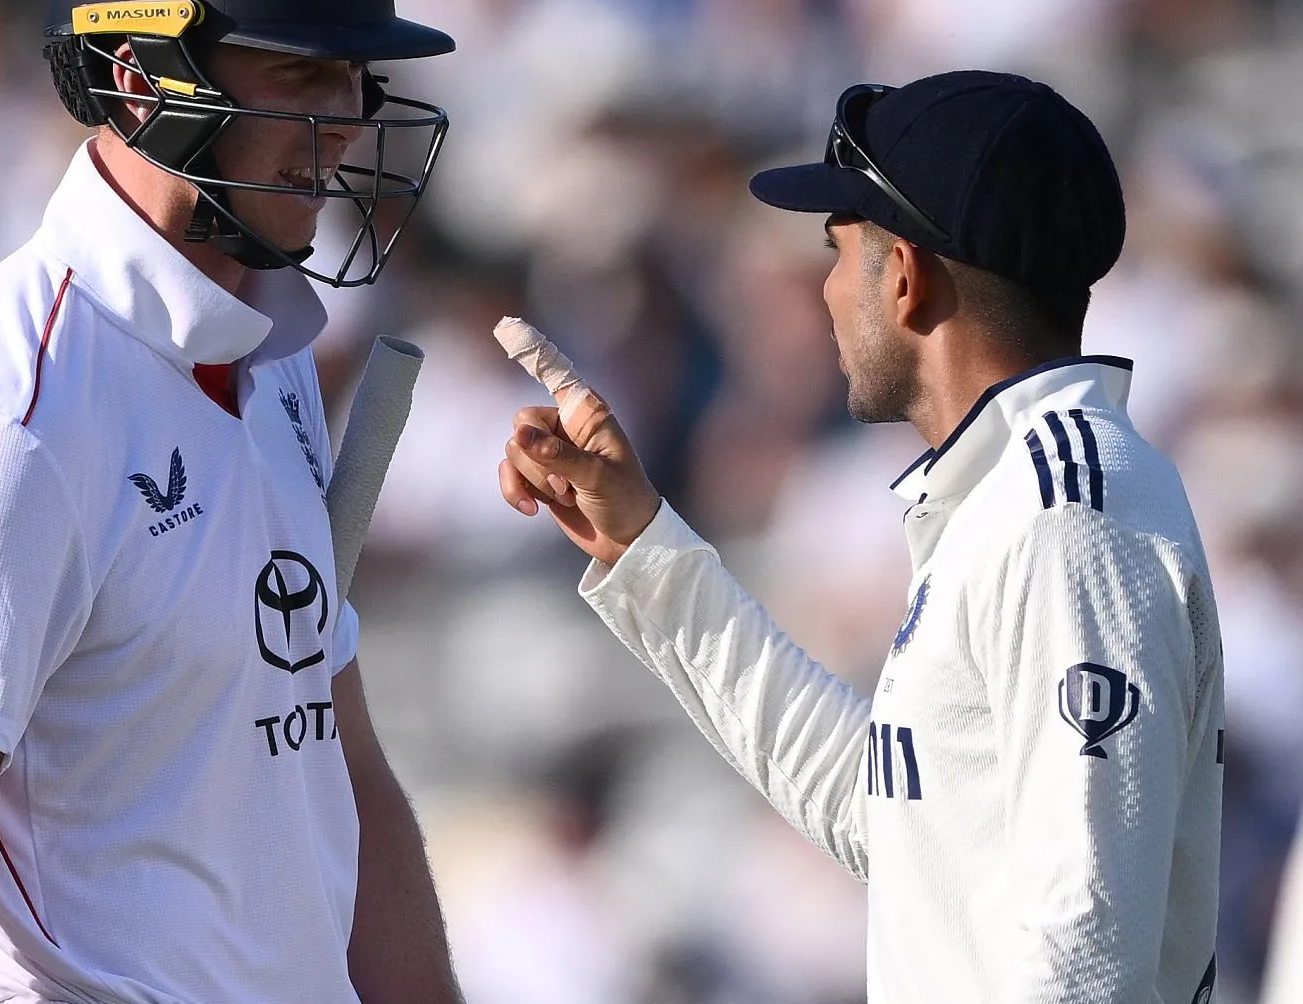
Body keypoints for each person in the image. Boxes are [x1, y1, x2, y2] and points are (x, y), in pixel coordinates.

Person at [0, 0, 463, 1004]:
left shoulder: (265, 350)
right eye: (303, 75)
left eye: (354, 81)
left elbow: (340, 768)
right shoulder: (9, 415)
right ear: (139, 77)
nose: (350, 123)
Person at [498, 71, 1226, 1003]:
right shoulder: (1017, 495)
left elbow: (1082, 954)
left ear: (907, 279)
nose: (830, 293)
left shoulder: (1064, 518)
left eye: (838, 255)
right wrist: (642, 545)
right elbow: (892, 827)